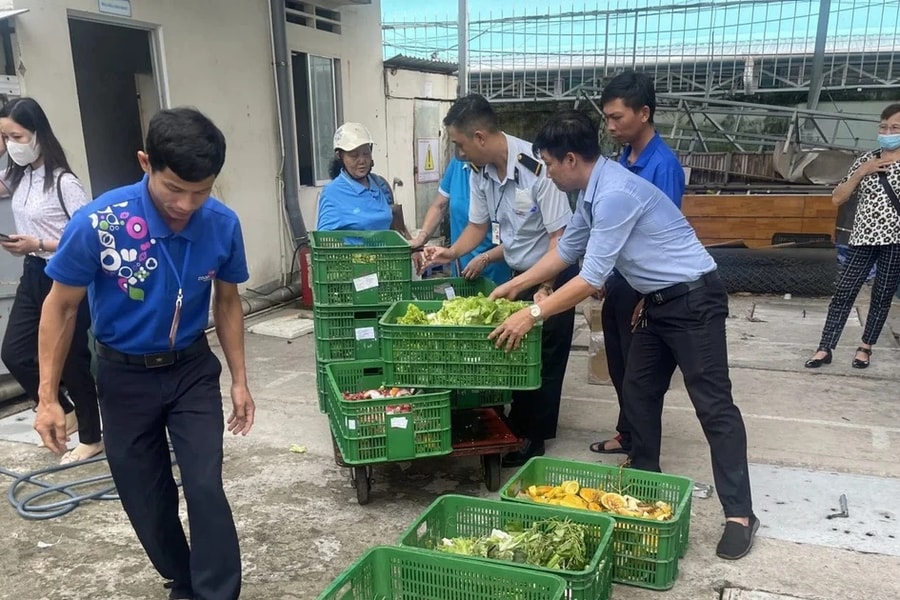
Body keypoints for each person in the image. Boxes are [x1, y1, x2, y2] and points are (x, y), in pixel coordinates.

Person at [489, 111, 757, 560]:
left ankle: (740, 514)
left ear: (570, 160)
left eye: (550, 164)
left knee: (713, 404)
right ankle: (644, 494)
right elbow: (568, 251)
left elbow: (591, 277)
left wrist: (530, 314)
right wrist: (512, 286)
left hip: (694, 301)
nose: (548, 173)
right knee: (637, 395)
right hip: (656, 303)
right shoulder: (591, 194)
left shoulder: (613, 194)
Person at [35, 108, 254, 600]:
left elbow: (227, 300)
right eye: (174, 188)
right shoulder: (100, 223)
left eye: (201, 191)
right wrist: (49, 397)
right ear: (145, 163)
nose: (187, 203)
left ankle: (217, 593)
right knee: (145, 495)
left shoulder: (220, 223)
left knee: (203, 484)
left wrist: (240, 380)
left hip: (191, 370)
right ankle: (184, 578)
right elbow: (60, 307)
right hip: (122, 376)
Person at [423, 94, 576, 468]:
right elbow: (478, 228)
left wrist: (548, 286)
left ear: (479, 136)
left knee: (544, 357)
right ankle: (518, 424)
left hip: (553, 271)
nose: (457, 153)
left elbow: (561, 238)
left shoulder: (538, 168)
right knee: (517, 353)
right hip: (519, 273)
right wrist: (451, 252)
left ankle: (533, 439)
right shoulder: (479, 173)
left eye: (458, 144)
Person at [0, 97, 102, 464]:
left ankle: (92, 436)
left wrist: (39, 242)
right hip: (33, 272)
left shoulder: (64, 182)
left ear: (39, 135)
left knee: (73, 360)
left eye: (17, 136)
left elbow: (90, 236)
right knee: (13, 352)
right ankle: (63, 407)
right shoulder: (18, 177)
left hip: (67, 274)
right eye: (6, 137)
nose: (12, 143)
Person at [590, 71, 686, 456]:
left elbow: (665, 237)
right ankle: (626, 430)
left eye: (618, 118)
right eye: (607, 118)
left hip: (644, 284)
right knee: (617, 361)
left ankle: (640, 445)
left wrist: (651, 295)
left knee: (639, 369)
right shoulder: (621, 160)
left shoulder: (663, 166)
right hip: (619, 279)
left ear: (644, 113)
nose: (611, 126)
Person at [804, 103, 900, 370]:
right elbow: (837, 198)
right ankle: (825, 347)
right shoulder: (865, 160)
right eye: (884, 126)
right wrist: (861, 172)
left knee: (882, 296)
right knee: (844, 292)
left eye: (895, 127)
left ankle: (865, 347)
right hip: (862, 238)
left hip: (896, 241)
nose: (888, 132)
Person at [411, 155, 511, 284]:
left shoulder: (501, 168)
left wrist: (485, 258)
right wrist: (422, 237)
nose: (460, 151)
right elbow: (440, 206)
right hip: (460, 259)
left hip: (495, 260)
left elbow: (518, 237)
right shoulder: (457, 165)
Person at [316, 122, 412, 236]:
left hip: (386, 253)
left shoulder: (379, 184)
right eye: (354, 155)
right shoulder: (332, 193)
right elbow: (324, 242)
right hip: (353, 253)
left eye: (366, 153)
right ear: (339, 156)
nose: (362, 160)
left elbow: (396, 226)